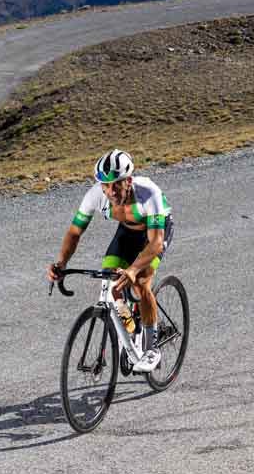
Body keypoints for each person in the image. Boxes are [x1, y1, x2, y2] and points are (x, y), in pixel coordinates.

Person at [47, 149, 174, 372]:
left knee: (142, 281)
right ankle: (132, 328)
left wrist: (134, 270)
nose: (111, 191)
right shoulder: (95, 195)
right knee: (110, 283)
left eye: (116, 184)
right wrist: (61, 263)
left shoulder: (148, 193)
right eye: (105, 186)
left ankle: (152, 347)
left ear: (129, 181)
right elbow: (75, 231)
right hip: (127, 233)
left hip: (155, 233)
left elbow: (155, 243)